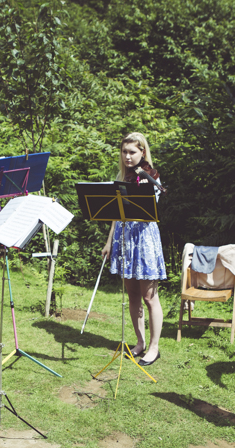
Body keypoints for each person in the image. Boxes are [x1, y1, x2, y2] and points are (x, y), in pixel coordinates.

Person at [101, 132, 166, 366]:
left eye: (132, 152)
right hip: (124, 240)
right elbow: (115, 215)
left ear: (143, 152)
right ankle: (139, 342)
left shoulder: (151, 176)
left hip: (144, 239)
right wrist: (109, 242)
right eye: (124, 152)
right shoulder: (124, 177)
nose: (127, 156)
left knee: (150, 296)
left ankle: (154, 347)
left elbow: (149, 211)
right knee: (133, 295)